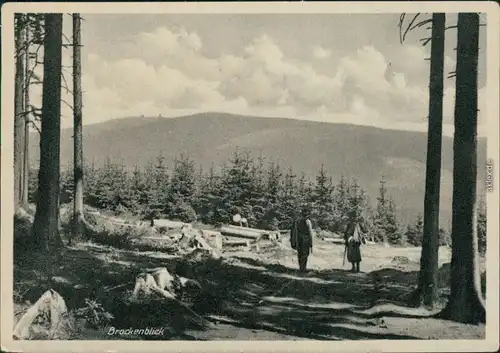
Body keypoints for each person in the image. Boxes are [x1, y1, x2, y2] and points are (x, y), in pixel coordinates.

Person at [290, 208, 314, 273]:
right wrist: (311, 242)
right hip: (305, 240)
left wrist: (293, 241)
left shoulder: (297, 221)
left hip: (298, 240)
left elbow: (293, 231)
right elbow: (310, 232)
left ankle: (301, 268)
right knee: (304, 254)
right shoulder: (308, 221)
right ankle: (303, 269)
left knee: (300, 254)